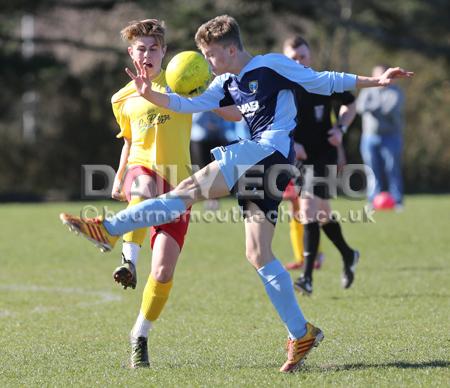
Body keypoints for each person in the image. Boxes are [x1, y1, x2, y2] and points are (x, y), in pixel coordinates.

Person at [60, 15, 413, 372]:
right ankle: (301, 332)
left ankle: (110, 229)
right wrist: (149, 94)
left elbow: (324, 80)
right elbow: (187, 105)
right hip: (266, 162)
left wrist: (376, 80)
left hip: (266, 152)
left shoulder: (270, 65)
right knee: (257, 252)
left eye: (210, 56)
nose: (207, 64)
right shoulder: (226, 81)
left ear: (231, 49)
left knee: (185, 191)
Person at [106, 19, 240, 368]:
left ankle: (140, 333)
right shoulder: (121, 98)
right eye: (141, 48)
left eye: (154, 48)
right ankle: (129, 261)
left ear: (164, 51)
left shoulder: (181, 82)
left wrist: (227, 99)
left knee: (164, 271)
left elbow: (229, 113)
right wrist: (120, 176)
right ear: (130, 53)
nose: (147, 54)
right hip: (142, 173)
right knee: (145, 187)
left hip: (179, 185)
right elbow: (130, 142)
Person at [282, 36, 359, 295]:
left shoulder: (323, 82)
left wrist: (341, 128)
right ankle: (349, 254)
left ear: (310, 56)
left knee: (307, 208)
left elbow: (351, 103)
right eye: (293, 57)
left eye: (302, 56)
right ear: (285, 59)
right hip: (300, 158)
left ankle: (306, 277)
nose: (299, 61)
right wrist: (292, 144)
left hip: (325, 154)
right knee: (321, 213)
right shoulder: (281, 86)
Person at [356, 65, 405, 209]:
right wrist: (376, 106)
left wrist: (372, 107)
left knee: (392, 168)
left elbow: (389, 109)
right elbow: (360, 107)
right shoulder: (368, 90)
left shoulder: (396, 92)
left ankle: (397, 200)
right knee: (372, 169)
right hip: (369, 137)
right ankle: (373, 199)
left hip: (391, 136)